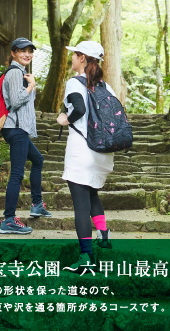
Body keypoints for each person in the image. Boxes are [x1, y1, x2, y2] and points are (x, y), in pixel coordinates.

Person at [57, 40, 116, 272]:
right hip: (101, 152)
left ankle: (86, 258)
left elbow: (79, 109)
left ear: (83, 59)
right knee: (92, 194)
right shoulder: (105, 86)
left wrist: (64, 119)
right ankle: (104, 235)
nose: (71, 58)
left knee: (80, 205)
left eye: (75, 55)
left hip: (82, 150)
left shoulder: (74, 83)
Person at [0, 38, 52, 234]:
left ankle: (37, 204)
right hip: (15, 128)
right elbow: (15, 100)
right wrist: (30, 86)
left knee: (38, 159)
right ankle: (9, 220)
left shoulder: (23, 73)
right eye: (22, 51)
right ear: (13, 53)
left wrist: (30, 85)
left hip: (20, 128)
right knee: (17, 174)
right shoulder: (14, 73)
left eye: (30, 51)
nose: (27, 54)